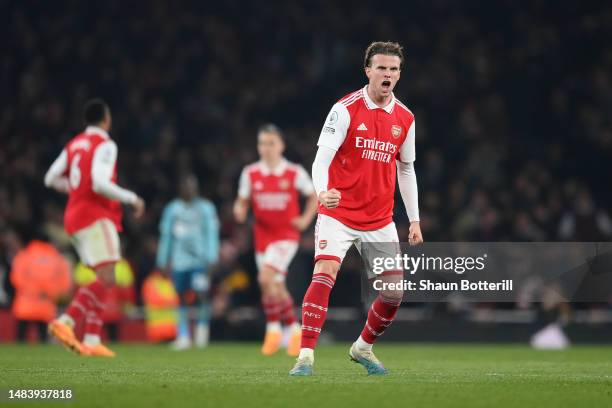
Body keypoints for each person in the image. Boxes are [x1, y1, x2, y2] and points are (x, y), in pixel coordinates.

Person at [289, 41, 423, 376]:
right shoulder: (345, 109)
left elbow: (406, 169)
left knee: (394, 292)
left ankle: (362, 348)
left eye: (393, 69)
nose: (387, 74)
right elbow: (321, 160)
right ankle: (305, 356)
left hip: (379, 218)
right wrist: (323, 193)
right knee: (325, 273)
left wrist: (414, 219)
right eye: (381, 68)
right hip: (339, 212)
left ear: (399, 74)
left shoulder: (405, 118)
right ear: (368, 70)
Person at [44, 98, 145, 357]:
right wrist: (131, 198)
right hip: (96, 216)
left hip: (73, 217)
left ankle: (91, 338)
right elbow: (100, 183)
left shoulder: (74, 144)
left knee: (102, 277)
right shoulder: (105, 144)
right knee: (108, 276)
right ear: (106, 118)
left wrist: (75, 190)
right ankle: (66, 322)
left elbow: (50, 178)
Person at [234, 124, 318, 356]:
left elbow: (314, 197)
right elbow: (242, 200)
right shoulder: (250, 173)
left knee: (265, 277)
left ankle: (273, 330)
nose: (267, 148)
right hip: (262, 236)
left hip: (285, 236)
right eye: (263, 143)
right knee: (274, 286)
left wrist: (304, 220)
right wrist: (239, 210)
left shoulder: (294, 172)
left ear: (281, 146)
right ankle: (293, 329)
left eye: (271, 143)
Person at [156, 174, 219, 349]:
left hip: (200, 262)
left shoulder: (206, 208)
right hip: (178, 262)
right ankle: (183, 335)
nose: (190, 190)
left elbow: (211, 234)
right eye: (186, 187)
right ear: (181, 189)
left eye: (193, 186)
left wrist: (212, 258)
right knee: (180, 297)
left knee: (201, 295)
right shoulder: (172, 209)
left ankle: (202, 333)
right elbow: (166, 236)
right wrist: (162, 260)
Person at [10, 232, 71, 343]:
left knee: (20, 337)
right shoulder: (58, 258)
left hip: (25, 303)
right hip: (46, 303)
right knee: (43, 338)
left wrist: (33, 291)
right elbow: (64, 283)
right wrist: (48, 293)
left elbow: (16, 278)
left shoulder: (24, 255)